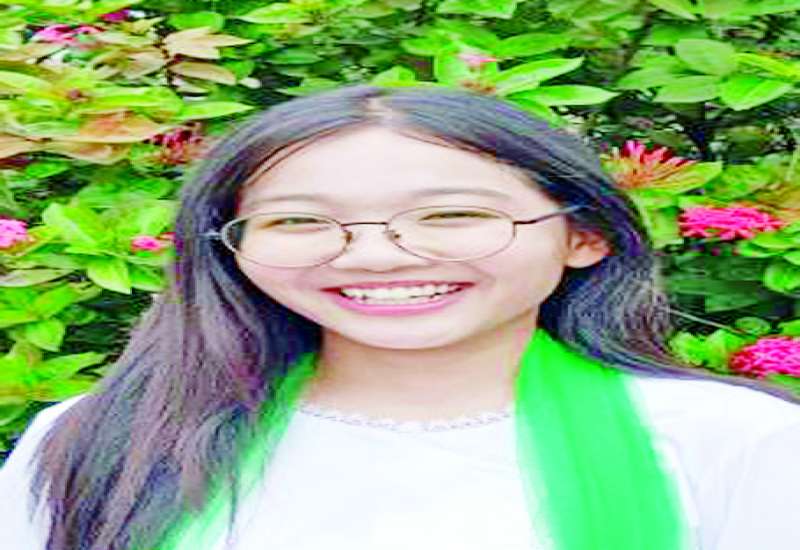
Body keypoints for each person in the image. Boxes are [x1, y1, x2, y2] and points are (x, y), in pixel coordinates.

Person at [1, 83, 799, 550]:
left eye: (451, 215)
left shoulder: (730, 441)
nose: (377, 256)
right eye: (301, 221)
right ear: (230, 246)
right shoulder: (105, 437)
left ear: (583, 235)